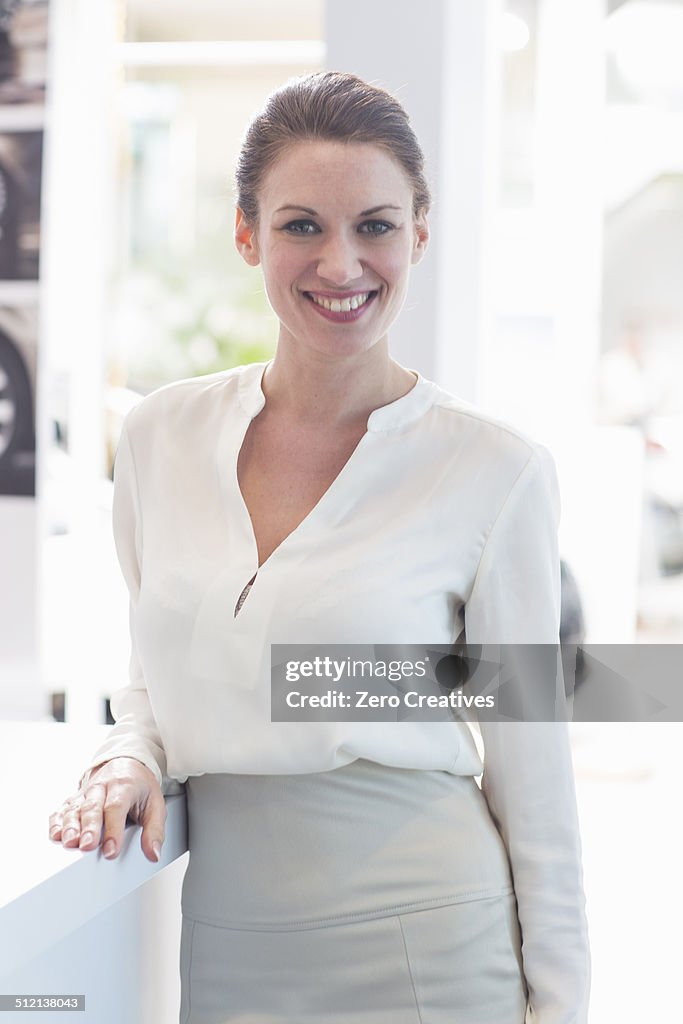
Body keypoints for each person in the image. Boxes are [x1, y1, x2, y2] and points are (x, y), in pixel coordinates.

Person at [48, 71, 590, 1023]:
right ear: (247, 233)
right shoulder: (158, 437)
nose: (341, 263)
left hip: (430, 944)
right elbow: (158, 673)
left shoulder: (494, 470)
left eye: (375, 225)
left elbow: (534, 778)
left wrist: (562, 1004)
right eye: (302, 225)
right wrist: (126, 755)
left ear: (419, 233)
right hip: (228, 945)